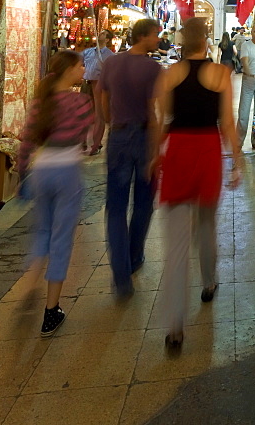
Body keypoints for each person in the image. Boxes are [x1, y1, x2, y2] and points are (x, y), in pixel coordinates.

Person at [154, 17, 242, 349]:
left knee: (175, 245)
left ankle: (175, 326)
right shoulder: (220, 74)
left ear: (182, 42)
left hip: (178, 150)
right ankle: (208, 282)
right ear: (206, 42)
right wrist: (237, 158)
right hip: (206, 151)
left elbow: (163, 121)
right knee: (206, 223)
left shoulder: (169, 75)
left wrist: (154, 155)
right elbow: (227, 122)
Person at [18, 50, 92, 336]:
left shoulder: (41, 102)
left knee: (43, 231)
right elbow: (86, 136)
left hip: (41, 171)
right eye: (80, 66)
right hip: (67, 173)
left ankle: (29, 284)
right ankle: (51, 311)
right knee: (61, 239)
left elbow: (27, 139)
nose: (84, 70)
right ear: (70, 70)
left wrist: (23, 171)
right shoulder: (80, 102)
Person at [100, 17, 162, 298]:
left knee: (115, 207)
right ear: (144, 36)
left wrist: (111, 122)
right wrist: (156, 147)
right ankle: (135, 257)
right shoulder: (152, 67)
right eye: (155, 35)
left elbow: (102, 98)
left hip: (118, 136)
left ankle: (120, 274)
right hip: (142, 136)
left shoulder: (111, 63)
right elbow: (152, 110)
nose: (158, 39)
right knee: (144, 202)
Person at [81, 30, 114, 155]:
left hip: (99, 85)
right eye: (100, 32)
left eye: (104, 34)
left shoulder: (110, 55)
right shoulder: (88, 52)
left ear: (107, 40)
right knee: (83, 113)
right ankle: (82, 142)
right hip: (86, 83)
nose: (100, 34)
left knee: (99, 114)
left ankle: (96, 144)